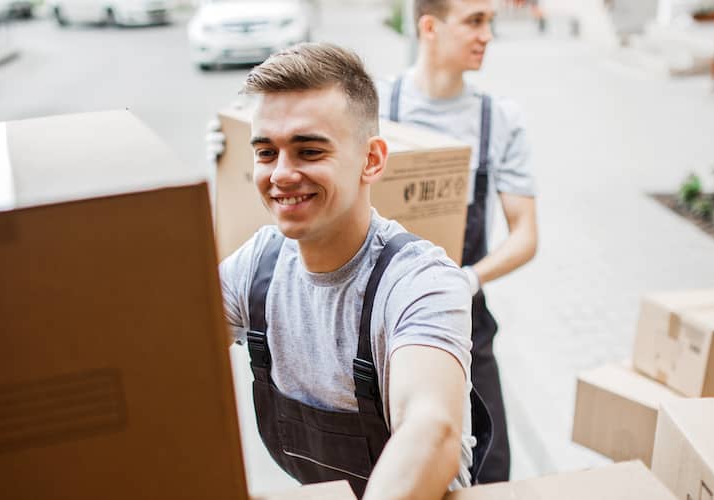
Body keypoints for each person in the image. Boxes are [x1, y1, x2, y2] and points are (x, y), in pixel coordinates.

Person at [217, 42, 490, 498]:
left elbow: (431, 429)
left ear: (372, 159)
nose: (281, 173)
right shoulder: (256, 267)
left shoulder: (421, 281)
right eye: (266, 152)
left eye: (308, 151)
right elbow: (171, 357)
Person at [378, 0, 539, 482]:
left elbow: (525, 234)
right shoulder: (373, 107)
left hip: (466, 322)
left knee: (491, 471)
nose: (487, 34)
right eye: (474, 21)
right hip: (377, 328)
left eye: (489, 22)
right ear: (429, 27)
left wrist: (468, 279)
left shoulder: (499, 119)